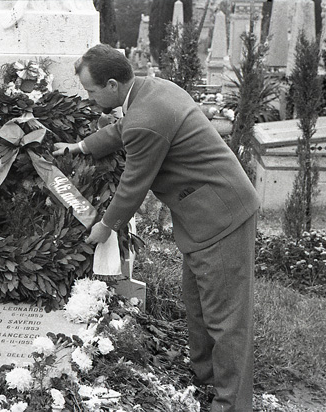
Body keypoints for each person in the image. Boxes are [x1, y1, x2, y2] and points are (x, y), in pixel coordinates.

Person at [52, 44, 260, 412]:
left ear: (112, 84)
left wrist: (106, 225)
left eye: (91, 91)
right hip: (203, 215)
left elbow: (133, 183)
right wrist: (80, 146)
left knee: (226, 318)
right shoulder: (150, 90)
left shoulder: (146, 117)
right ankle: (206, 378)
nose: (90, 97)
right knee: (198, 304)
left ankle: (232, 404)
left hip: (221, 216)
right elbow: (122, 129)